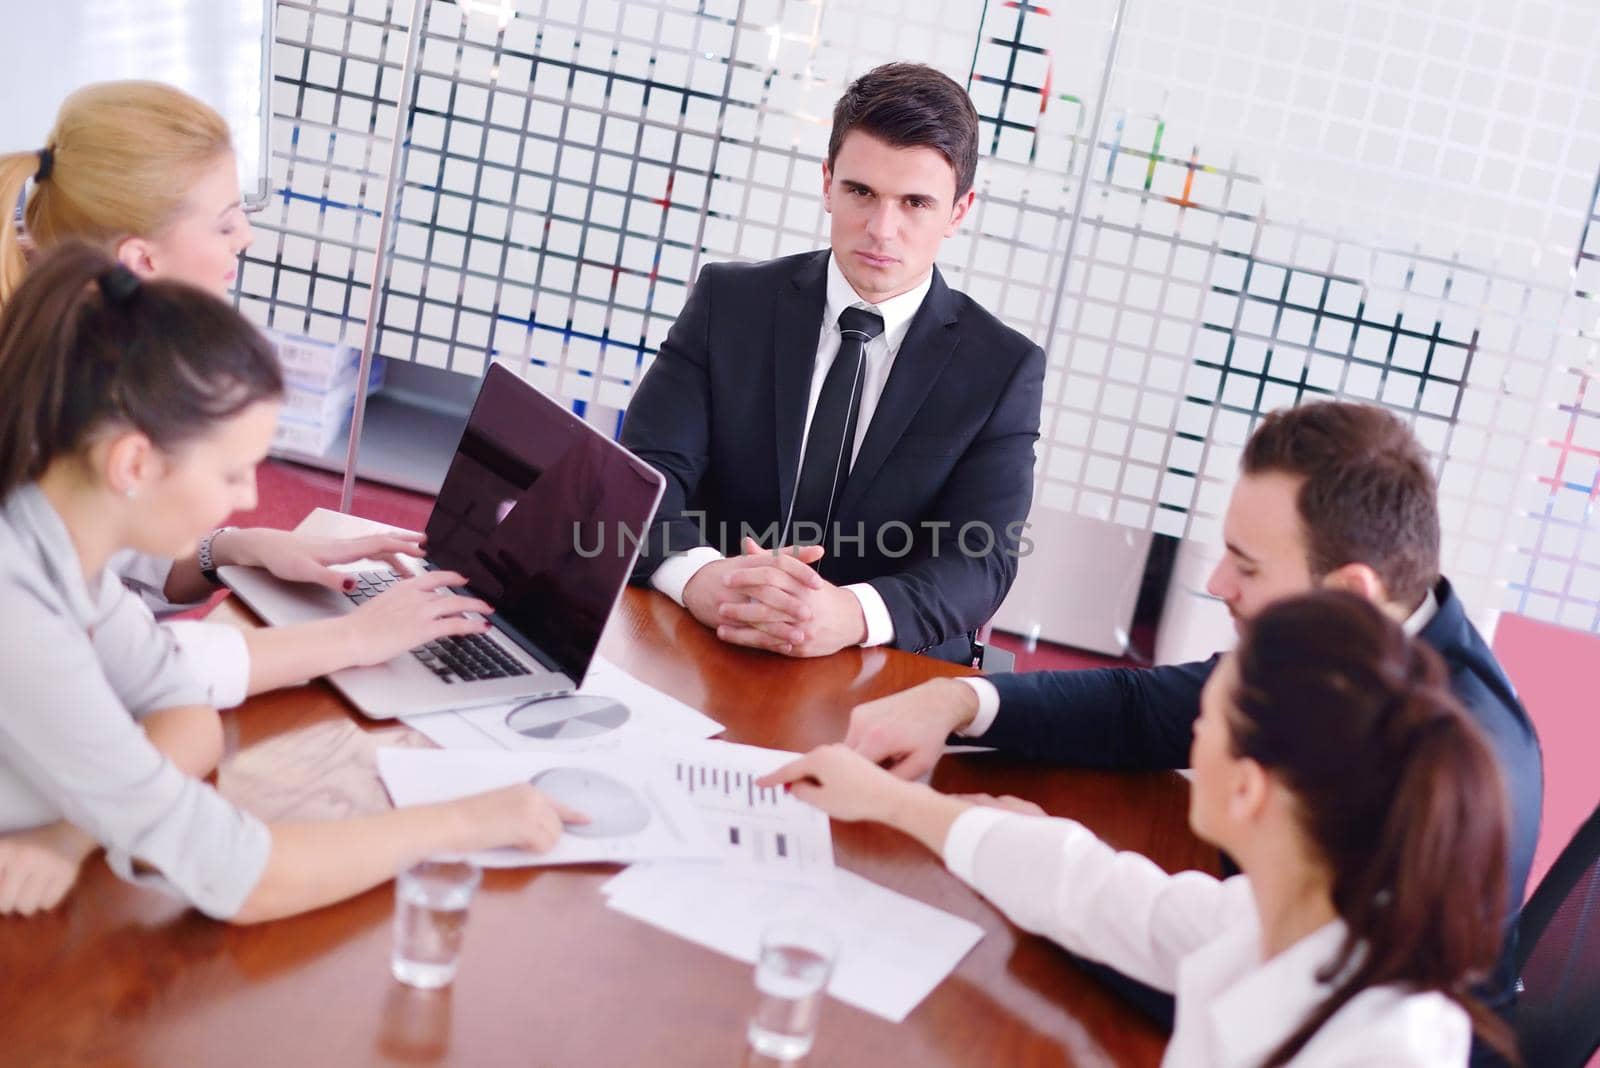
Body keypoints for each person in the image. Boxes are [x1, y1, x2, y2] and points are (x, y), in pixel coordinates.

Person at [841, 400, 1542, 1060]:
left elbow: (1221, 983)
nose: (1216, 581)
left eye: (1248, 563)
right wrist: (957, 701)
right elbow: (1146, 710)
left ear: (1351, 592)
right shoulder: (1348, 652)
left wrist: (1035, 886)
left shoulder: (1444, 766)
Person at [0, 244, 584, 920]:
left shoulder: (64, 543)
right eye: (230, 472)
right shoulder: (21, 608)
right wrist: (467, 822)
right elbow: (243, 876)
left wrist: (84, 821)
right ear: (133, 463)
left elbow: (181, 704)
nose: (251, 498)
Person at [763, 592, 1519, 1067]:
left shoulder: (1384, 1046)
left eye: (1207, 728)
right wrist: (894, 803)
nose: (1189, 745)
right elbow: (1101, 894)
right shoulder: (1288, 915)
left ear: (1249, 789)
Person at [0, 79, 470, 713]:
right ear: (139, 258)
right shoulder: (31, 395)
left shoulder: (79, 342)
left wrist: (232, 549)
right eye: (224, 223)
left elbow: (98, 557)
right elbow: (103, 668)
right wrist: (355, 637)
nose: (245, 238)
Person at [620, 63, 1044, 662]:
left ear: (958, 212)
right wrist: (701, 578)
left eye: (916, 203)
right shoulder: (729, 304)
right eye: (860, 192)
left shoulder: (1002, 369)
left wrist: (852, 612)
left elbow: (981, 560)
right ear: (827, 184)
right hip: (710, 630)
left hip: (879, 663)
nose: (881, 229)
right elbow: (642, 477)